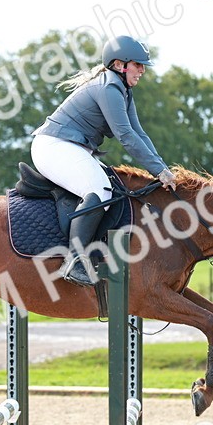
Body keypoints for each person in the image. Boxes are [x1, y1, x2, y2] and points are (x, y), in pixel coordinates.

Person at [31, 35, 177, 286]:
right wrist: (159, 171)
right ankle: (75, 261)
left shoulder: (122, 90)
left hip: (71, 148)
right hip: (53, 146)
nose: (142, 71)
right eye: (138, 65)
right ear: (120, 64)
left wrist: (161, 168)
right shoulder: (109, 87)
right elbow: (126, 137)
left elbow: (139, 133)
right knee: (100, 189)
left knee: (117, 188)